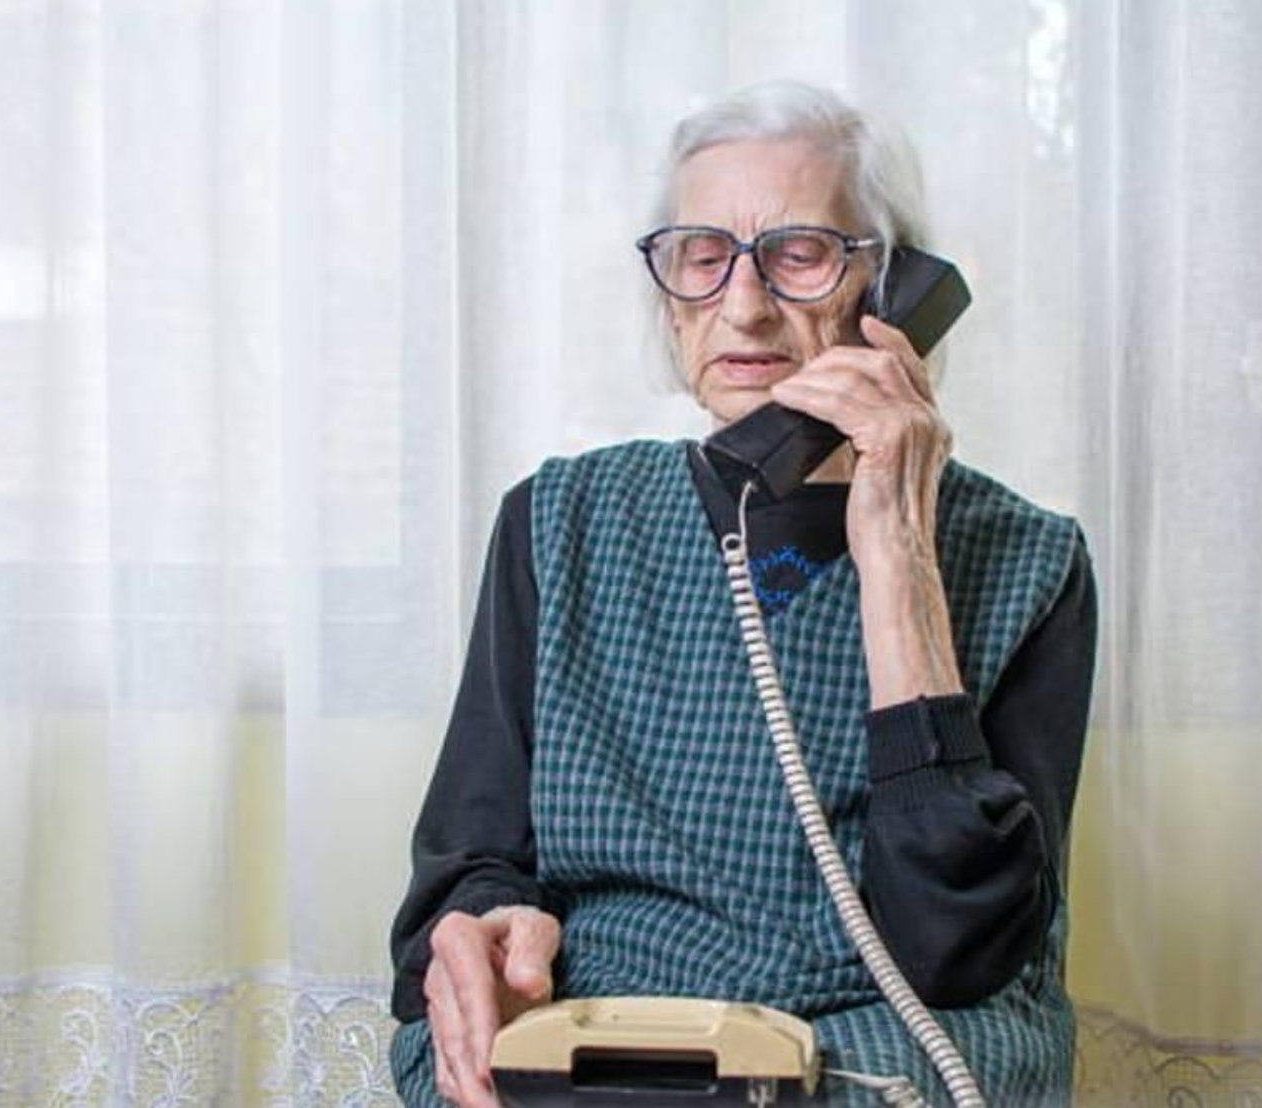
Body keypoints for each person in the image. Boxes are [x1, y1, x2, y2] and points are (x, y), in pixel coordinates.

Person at [388, 81, 1097, 1108]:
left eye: (800, 253)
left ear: (896, 291)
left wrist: (897, 552)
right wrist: (492, 920)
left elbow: (956, 952)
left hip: (869, 1032)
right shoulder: (562, 519)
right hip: (609, 1023)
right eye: (701, 254)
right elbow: (463, 862)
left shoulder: (1028, 559)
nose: (745, 305)